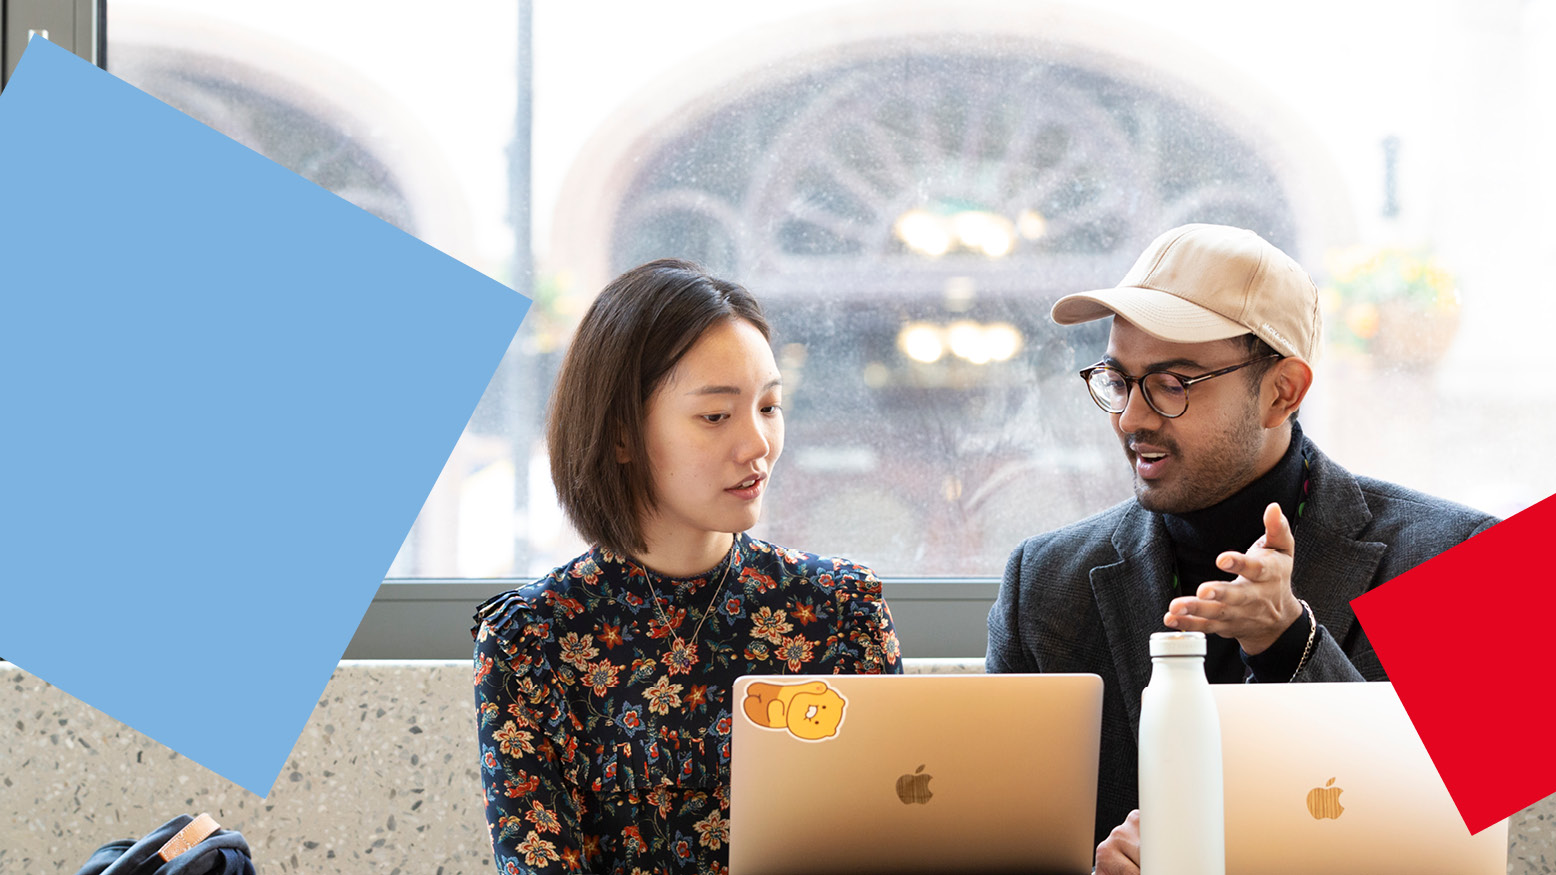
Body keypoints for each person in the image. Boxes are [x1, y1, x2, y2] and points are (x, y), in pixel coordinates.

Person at [984, 224, 1496, 874]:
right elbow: (1001, 843)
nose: (1131, 419)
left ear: (1283, 391)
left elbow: (1457, 851)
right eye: (1118, 378)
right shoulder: (1045, 580)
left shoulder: (1468, 560)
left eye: (1172, 383)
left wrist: (1290, 643)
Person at [473, 259, 902, 875]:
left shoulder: (841, 610)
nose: (758, 444)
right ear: (620, 434)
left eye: (770, 407)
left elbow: (895, 833)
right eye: (716, 416)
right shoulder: (532, 640)